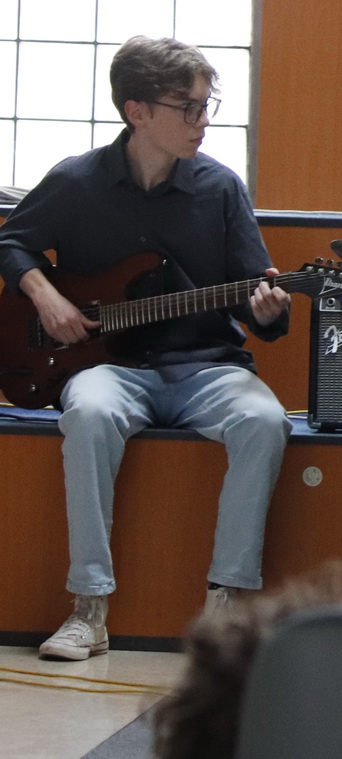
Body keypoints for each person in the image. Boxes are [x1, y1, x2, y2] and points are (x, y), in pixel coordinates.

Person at [0, 37, 292, 661]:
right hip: (107, 366)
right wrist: (46, 298)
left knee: (265, 421)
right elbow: (11, 243)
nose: (202, 120)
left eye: (206, 105)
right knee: (88, 414)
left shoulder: (220, 187)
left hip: (207, 365)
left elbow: (255, 293)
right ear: (137, 112)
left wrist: (269, 311)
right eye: (188, 107)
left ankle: (225, 608)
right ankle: (88, 609)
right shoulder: (76, 181)